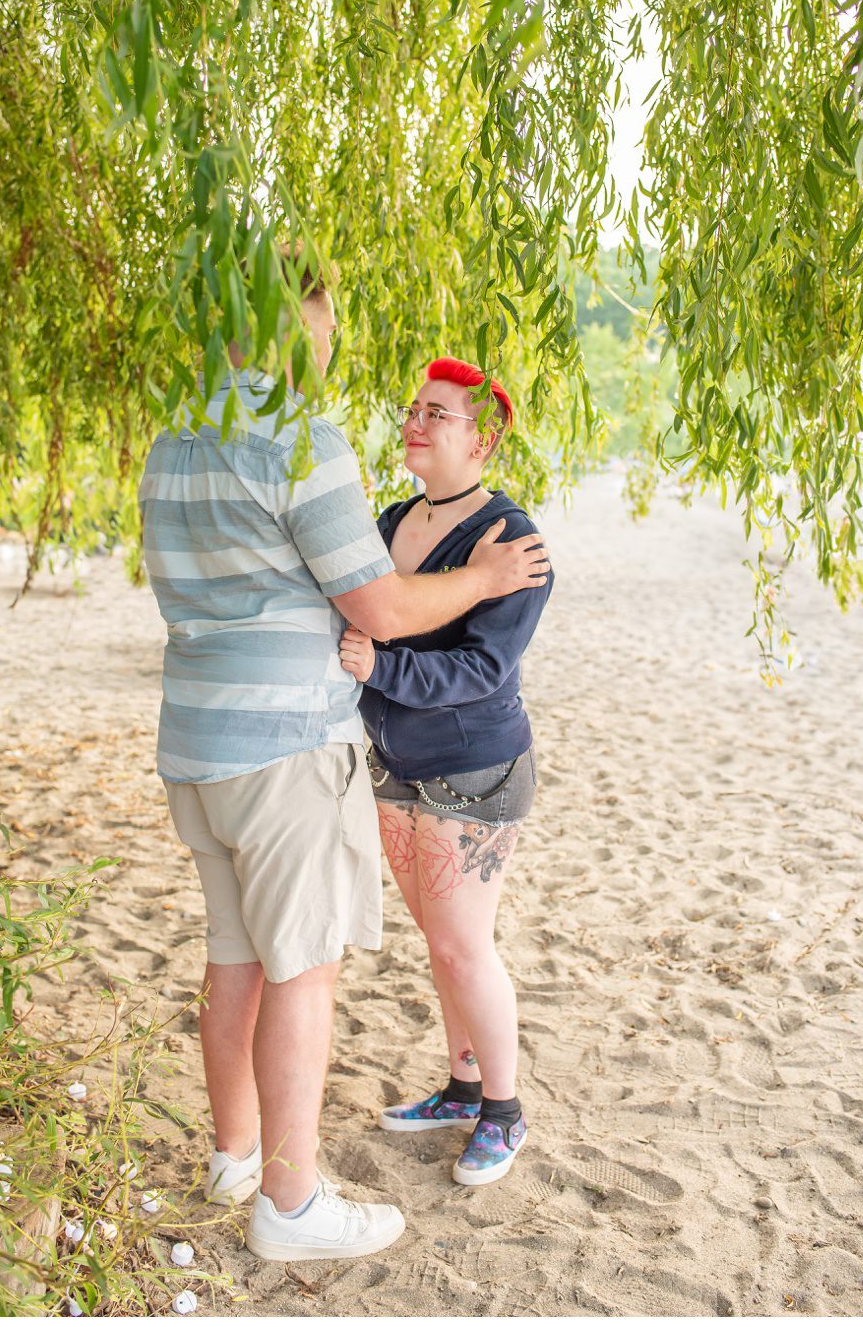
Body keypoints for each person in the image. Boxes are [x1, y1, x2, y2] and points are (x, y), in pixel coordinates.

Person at [139, 255, 551, 1262]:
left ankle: (234, 1153)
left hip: (196, 739)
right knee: (304, 968)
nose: (326, 347)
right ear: (284, 331)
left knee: (233, 952)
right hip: (284, 749)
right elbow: (375, 606)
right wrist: (485, 573)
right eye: (318, 327)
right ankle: (289, 1202)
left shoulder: (169, 441)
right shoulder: (298, 442)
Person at [337, 358, 551, 1186]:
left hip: (475, 767)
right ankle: (463, 1086)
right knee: (442, 942)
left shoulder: (512, 541)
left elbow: (482, 670)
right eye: (412, 409)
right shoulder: (392, 519)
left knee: (466, 945)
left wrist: (377, 670)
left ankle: (505, 1112)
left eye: (438, 414)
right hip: (396, 764)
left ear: (484, 437)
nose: (415, 423)